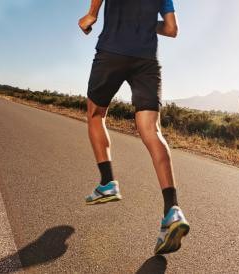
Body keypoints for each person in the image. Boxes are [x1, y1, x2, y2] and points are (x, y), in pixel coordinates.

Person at [78, 0, 189, 255]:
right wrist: (148, 23)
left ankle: (107, 182)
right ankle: (172, 210)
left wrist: (91, 14)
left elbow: (94, 11)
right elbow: (172, 29)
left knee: (95, 114)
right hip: (146, 60)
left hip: (112, 52)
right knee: (152, 131)